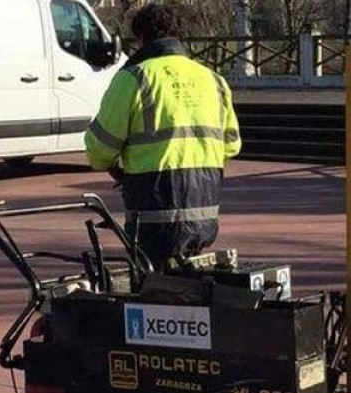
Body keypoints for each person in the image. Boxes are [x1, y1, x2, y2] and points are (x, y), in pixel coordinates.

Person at [84, 3, 241, 268]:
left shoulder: (134, 78)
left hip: (152, 209)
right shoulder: (213, 79)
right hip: (204, 208)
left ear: (142, 38)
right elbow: (231, 144)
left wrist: (114, 164)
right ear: (179, 35)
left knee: (152, 282)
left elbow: (99, 149)